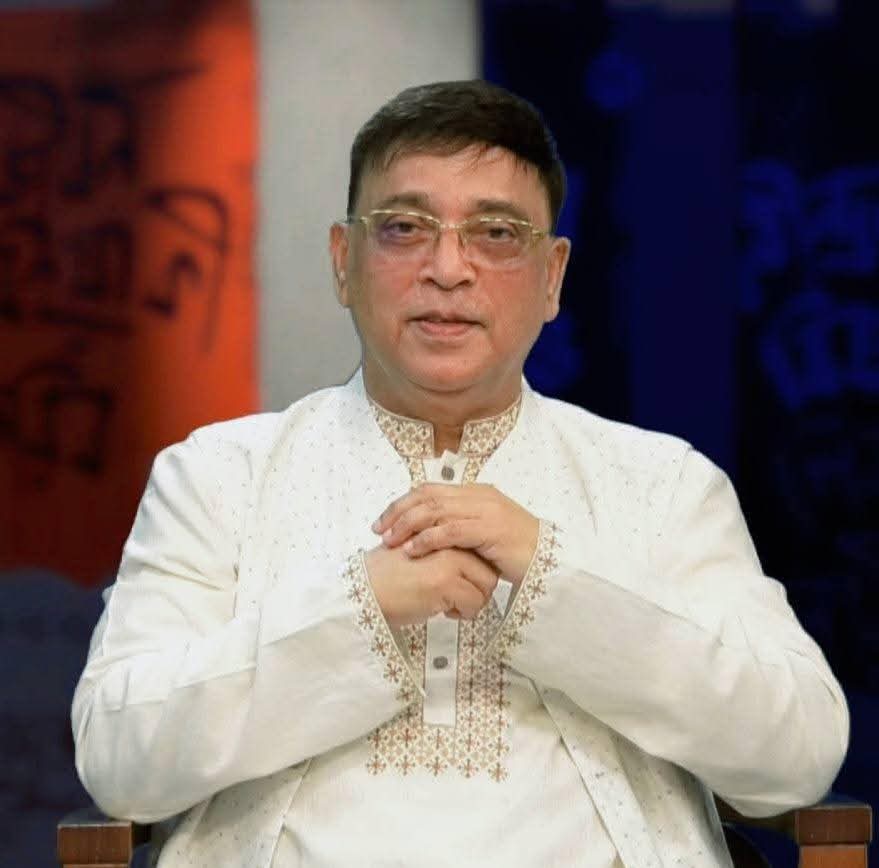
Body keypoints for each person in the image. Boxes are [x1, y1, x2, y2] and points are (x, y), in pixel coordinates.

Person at [72, 80, 848, 868]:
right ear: (343, 262)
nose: (448, 268)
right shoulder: (217, 478)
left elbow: (798, 754)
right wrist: (358, 609)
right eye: (404, 228)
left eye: (497, 233)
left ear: (552, 277)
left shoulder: (660, 485)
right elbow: (118, 758)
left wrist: (552, 578)